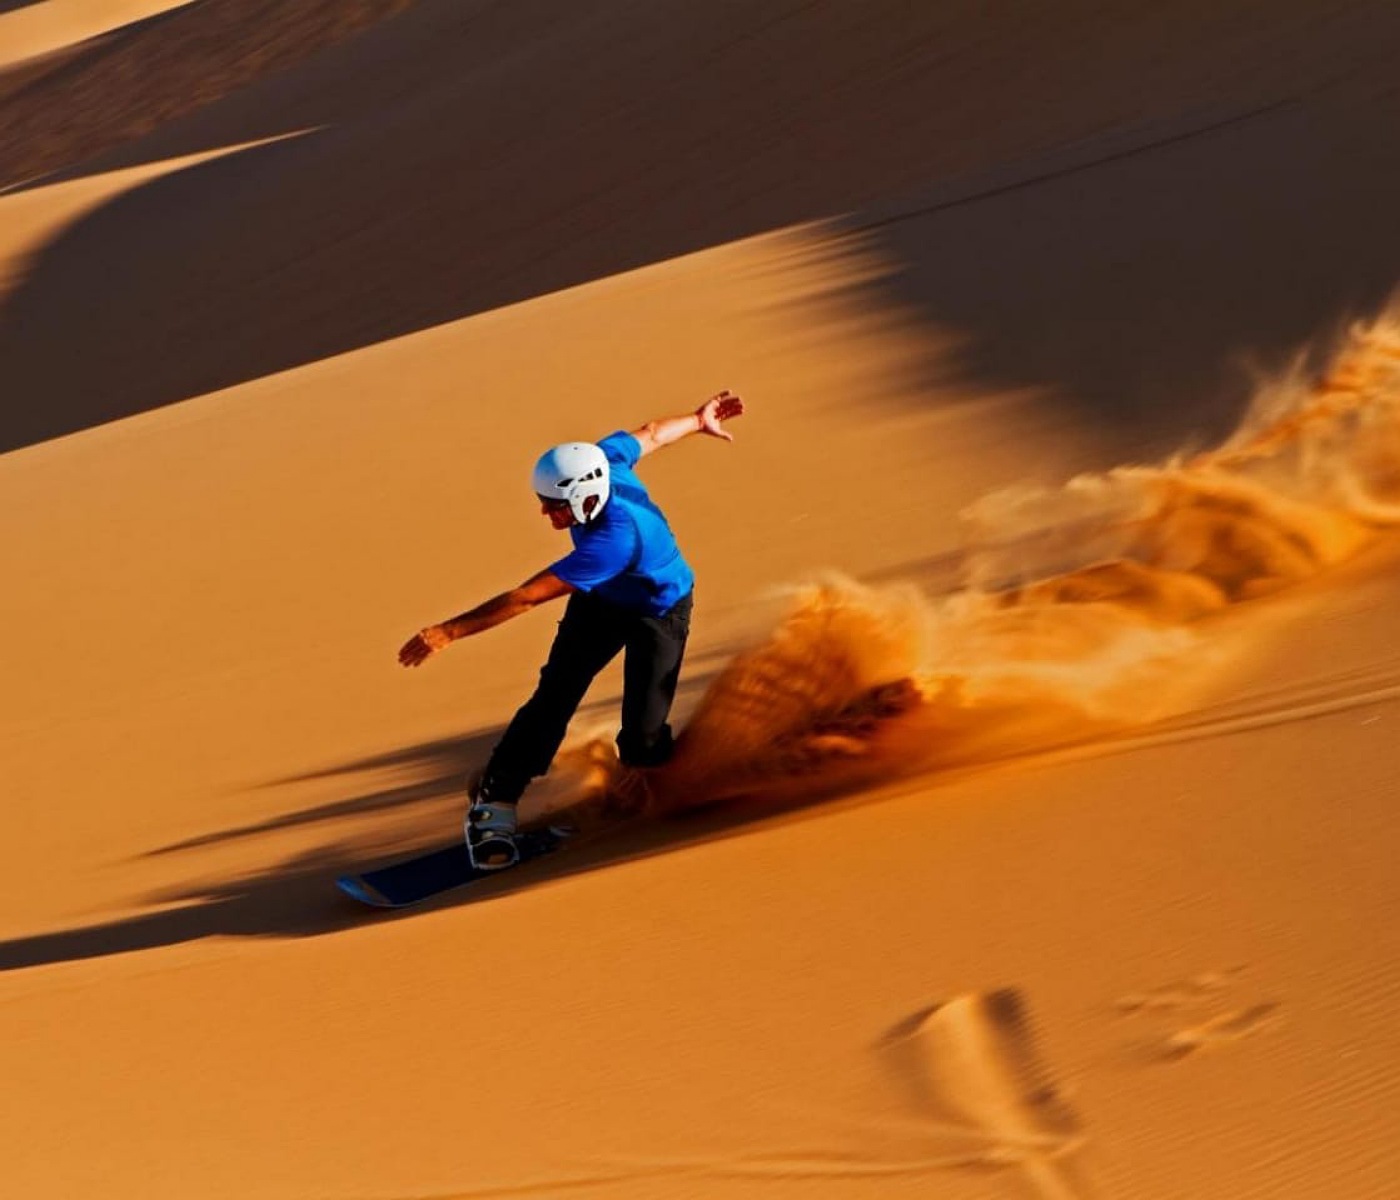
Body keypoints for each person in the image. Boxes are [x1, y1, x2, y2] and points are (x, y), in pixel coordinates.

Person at [398, 389, 745, 868]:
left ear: (585, 496)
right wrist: (696, 419)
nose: (546, 514)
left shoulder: (615, 539)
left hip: (658, 611)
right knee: (554, 696)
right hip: (603, 601)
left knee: (644, 742)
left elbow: (527, 596)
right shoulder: (601, 462)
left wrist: (449, 632)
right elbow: (649, 435)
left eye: (554, 505)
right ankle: (495, 800)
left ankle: (652, 775)